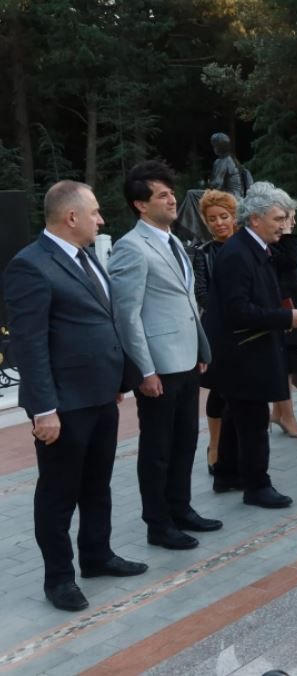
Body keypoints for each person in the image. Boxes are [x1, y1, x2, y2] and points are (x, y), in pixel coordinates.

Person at [4, 181, 148, 611]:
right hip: (63, 406)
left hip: (101, 396)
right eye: (96, 212)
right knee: (59, 493)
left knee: (97, 484)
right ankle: (59, 579)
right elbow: (29, 344)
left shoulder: (85, 257)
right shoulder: (30, 265)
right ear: (71, 217)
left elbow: (100, 321)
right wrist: (44, 409)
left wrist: (117, 381)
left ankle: (97, 555)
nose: (101, 219)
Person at [109, 161, 220, 551]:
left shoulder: (175, 240)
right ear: (141, 205)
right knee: (157, 449)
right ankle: (158, 524)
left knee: (186, 440)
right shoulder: (130, 248)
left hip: (188, 360)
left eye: (172, 192)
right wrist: (145, 370)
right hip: (158, 368)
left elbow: (186, 303)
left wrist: (200, 350)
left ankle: (181, 508)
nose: (173, 199)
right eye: (162, 195)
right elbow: (127, 316)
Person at [204, 182, 297, 509]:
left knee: (237, 416)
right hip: (241, 352)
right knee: (251, 420)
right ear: (255, 220)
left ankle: (226, 474)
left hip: (248, 349)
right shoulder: (238, 253)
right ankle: (257, 486)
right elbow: (238, 311)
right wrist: (283, 318)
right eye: (278, 219)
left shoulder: (256, 246)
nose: (284, 225)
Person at [193, 189, 238, 474]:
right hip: (218, 330)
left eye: (224, 216)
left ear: (234, 217)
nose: (219, 223)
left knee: (241, 391)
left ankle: (239, 449)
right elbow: (201, 292)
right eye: (213, 219)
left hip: (247, 328)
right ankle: (215, 446)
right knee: (219, 390)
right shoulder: (203, 253)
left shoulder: (246, 247)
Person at [269, 204, 297, 437]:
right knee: (284, 365)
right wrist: (285, 234)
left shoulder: (280, 242)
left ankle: (279, 412)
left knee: (288, 363)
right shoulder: (277, 242)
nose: (292, 224)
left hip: (292, 308)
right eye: (288, 218)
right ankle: (287, 415)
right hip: (285, 310)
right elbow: (290, 262)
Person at [209, 132, 245, 198]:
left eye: (215, 146)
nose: (214, 148)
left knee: (191, 194)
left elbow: (217, 184)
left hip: (229, 196)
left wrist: (209, 185)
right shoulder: (232, 158)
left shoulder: (222, 160)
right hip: (237, 195)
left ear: (220, 146)